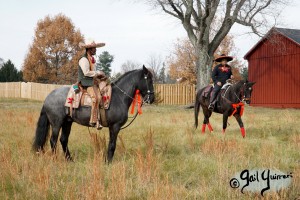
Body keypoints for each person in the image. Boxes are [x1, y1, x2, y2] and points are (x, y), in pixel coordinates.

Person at [78, 39, 105, 129]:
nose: (95, 50)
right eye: (94, 48)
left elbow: (93, 72)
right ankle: (93, 120)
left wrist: (100, 75)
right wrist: (97, 73)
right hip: (86, 83)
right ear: (89, 49)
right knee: (96, 98)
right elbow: (86, 72)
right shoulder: (83, 59)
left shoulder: (92, 59)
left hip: (93, 82)